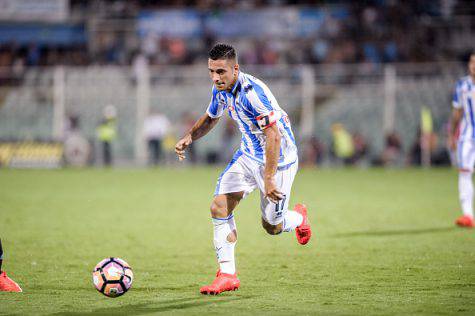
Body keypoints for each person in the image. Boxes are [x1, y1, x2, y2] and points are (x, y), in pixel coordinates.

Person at [175, 43, 312, 295]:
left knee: (272, 226)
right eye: (211, 71)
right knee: (218, 206)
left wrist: (269, 179)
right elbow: (211, 116)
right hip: (248, 155)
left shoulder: (253, 94)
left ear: (235, 69)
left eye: (221, 72)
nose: (215, 77)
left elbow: (274, 137)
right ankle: (228, 275)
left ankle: (299, 218)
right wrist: (190, 137)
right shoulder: (221, 88)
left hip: (278, 160)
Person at [449, 52, 475, 228]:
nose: (474, 65)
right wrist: (452, 135)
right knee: (465, 173)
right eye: (472, 62)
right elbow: (457, 113)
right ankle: (468, 215)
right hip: (467, 136)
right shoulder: (462, 85)